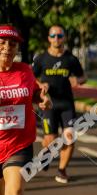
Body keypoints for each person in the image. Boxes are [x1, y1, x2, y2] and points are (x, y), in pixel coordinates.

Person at [0, 24, 51, 195]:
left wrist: (42, 99)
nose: (7, 48)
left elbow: (35, 94)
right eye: (2, 43)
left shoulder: (25, 72)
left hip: (17, 145)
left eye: (12, 44)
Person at [31, 25, 86, 183]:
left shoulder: (70, 59)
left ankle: (62, 170)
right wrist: (40, 85)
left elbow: (83, 76)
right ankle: (46, 155)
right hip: (49, 105)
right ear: (49, 38)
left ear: (64, 38)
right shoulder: (41, 59)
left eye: (59, 35)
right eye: (53, 35)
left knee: (70, 138)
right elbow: (31, 77)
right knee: (51, 139)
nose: (56, 38)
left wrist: (78, 80)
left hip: (67, 104)